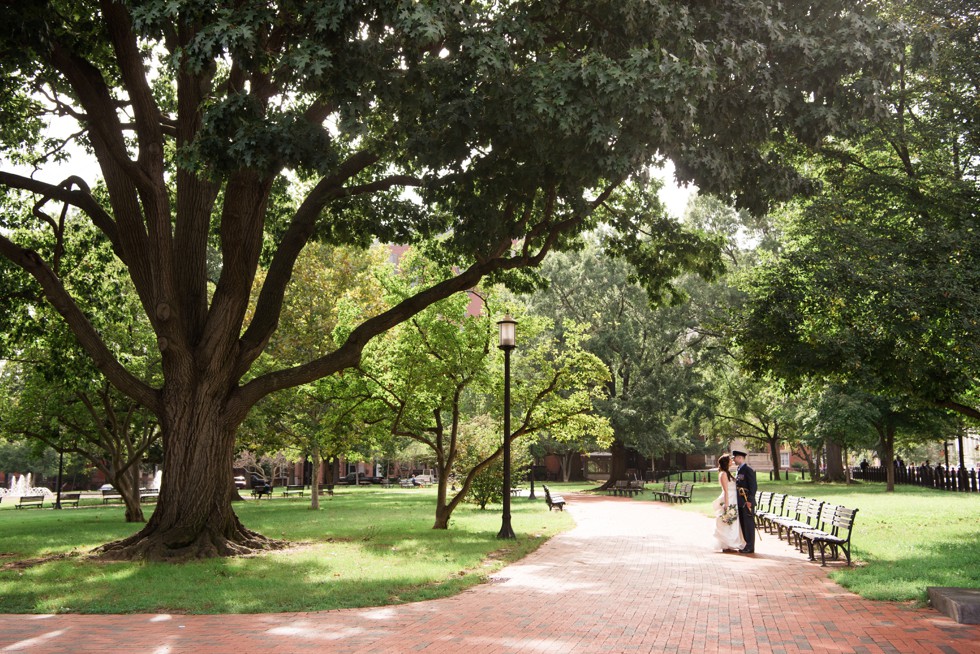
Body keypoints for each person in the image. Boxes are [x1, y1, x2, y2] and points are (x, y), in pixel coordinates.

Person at [712, 455, 746, 552]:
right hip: (729, 499)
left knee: (733, 521)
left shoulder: (727, 473)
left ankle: (732, 543)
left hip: (733, 499)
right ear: (726, 462)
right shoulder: (723, 474)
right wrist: (726, 504)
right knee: (728, 520)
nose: (732, 461)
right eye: (730, 460)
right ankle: (727, 543)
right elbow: (726, 490)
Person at [732, 449, 757, 554]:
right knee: (743, 524)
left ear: (740, 458)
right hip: (741, 501)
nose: (733, 460)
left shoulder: (748, 470)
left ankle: (750, 546)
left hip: (747, 501)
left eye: (735, 458)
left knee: (749, 524)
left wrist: (750, 500)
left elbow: (753, 486)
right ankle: (746, 544)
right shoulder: (739, 469)